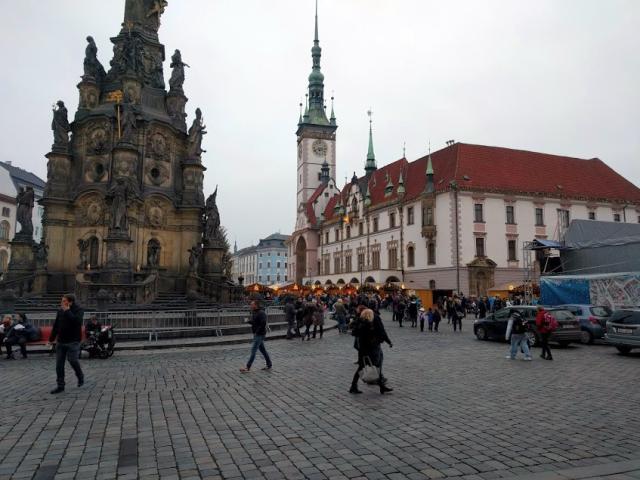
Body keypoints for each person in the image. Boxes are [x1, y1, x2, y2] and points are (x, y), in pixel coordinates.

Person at [349, 309, 393, 395]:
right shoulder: (368, 325)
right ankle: (381, 387)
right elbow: (372, 337)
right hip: (370, 350)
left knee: (362, 367)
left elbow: (355, 333)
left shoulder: (360, 324)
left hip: (362, 350)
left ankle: (353, 386)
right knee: (376, 367)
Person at [49, 294, 85, 393]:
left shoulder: (79, 310)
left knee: (72, 360)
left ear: (70, 302)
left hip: (73, 341)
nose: (61, 302)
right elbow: (56, 325)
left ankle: (80, 375)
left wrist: (67, 311)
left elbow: (77, 322)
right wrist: (51, 338)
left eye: (63, 301)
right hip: (61, 341)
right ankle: (60, 385)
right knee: (59, 365)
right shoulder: (60, 311)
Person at [240, 301, 272, 372]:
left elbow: (263, 323)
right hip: (257, 334)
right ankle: (269, 364)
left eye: (252, 304)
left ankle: (248, 367)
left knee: (253, 350)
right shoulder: (255, 312)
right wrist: (248, 321)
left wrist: (257, 332)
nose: (250, 306)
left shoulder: (261, 313)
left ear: (256, 305)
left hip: (260, 334)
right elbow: (255, 322)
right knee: (263, 350)